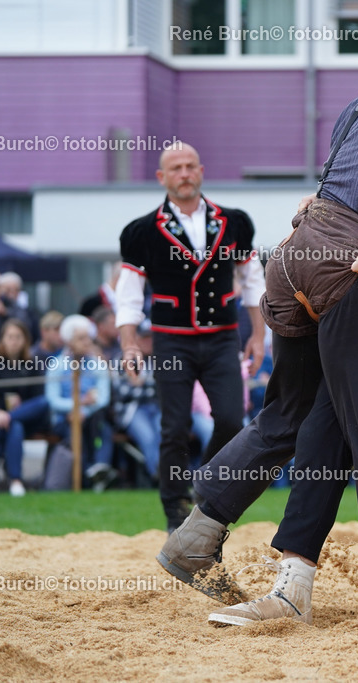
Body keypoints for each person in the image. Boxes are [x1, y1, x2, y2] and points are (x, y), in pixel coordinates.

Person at [159, 41, 358, 607]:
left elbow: (329, 187)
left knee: (287, 415)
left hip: (293, 258)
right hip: (351, 266)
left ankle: (196, 533)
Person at [116, 142, 266, 531]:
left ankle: (205, 488)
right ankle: (174, 509)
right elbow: (128, 296)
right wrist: (129, 343)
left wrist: (258, 334)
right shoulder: (141, 231)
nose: (184, 174)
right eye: (176, 168)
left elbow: (253, 281)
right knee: (175, 427)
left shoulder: (234, 222)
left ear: (200, 170)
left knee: (232, 419)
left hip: (222, 337)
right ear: (161, 177)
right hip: (171, 340)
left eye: (189, 166)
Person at [0, 318, 48, 497]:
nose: (14, 341)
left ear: (25, 340)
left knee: (43, 402)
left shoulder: (33, 362)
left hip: (24, 416)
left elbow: (38, 396)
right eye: (10, 337)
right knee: (15, 427)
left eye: (18, 337)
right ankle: (15, 480)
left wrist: (18, 407)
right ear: (2, 339)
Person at [46, 314, 114, 488]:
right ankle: (86, 478)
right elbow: (53, 400)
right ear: (69, 341)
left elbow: (103, 398)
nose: (87, 342)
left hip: (92, 417)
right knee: (76, 434)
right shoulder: (57, 365)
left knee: (104, 429)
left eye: (88, 338)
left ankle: (99, 469)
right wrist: (76, 407)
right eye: (81, 338)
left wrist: (83, 411)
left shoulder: (97, 364)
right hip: (64, 418)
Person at [112, 320, 160, 482]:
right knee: (148, 436)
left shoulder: (160, 360)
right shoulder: (122, 359)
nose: (148, 342)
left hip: (156, 407)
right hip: (132, 410)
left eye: (150, 338)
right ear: (135, 338)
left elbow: (162, 389)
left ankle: (168, 474)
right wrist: (149, 383)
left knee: (165, 432)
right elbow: (123, 392)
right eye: (144, 337)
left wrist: (141, 382)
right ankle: (158, 475)